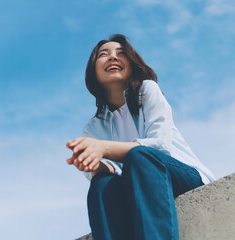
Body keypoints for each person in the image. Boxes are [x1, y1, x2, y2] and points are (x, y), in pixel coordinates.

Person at [66, 34, 215, 240]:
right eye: (104, 54)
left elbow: (159, 148)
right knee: (101, 184)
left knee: (140, 157)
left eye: (120, 53)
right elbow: (111, 171)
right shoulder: (93, 128)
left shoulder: (147, 90)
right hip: (137, 189)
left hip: (180, 176)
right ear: (93, 70)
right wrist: (92, 163)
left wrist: (103, 148)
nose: (112, 57)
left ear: (131, 63)